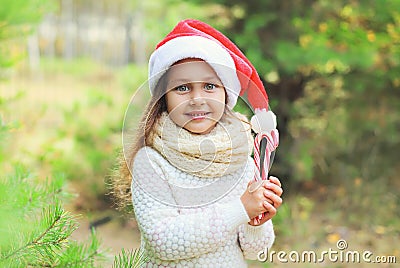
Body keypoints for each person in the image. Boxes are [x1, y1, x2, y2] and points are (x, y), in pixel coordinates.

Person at [114, 19, 283, 267]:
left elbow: (256, 251)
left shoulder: (240, 159)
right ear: (164, 98)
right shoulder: (151, 162)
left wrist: (255, 220)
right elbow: (164, 243)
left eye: (210, 86)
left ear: (226, 93)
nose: (196, 99)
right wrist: (240, 209)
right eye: (182, 88)